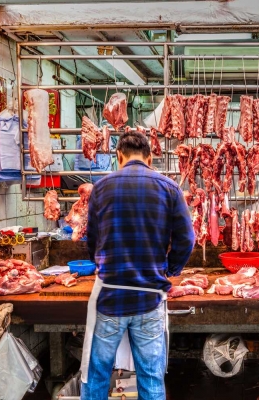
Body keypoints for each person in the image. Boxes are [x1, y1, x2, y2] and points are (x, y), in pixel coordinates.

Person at [80, 131, 195, 399]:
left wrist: (99, 262)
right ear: (149, 158)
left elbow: (92, 238)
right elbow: (187, 238)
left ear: (119, 156)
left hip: (110, 297)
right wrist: (171, 269)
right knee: (151, 379)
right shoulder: (169, 188)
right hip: (149, 298)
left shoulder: (101, 188)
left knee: (97, 376)